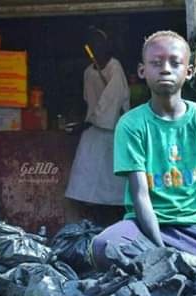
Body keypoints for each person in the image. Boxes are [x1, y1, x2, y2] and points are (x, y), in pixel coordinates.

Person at [91, 30, 196, 270]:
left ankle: (191, 263)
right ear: (142, 71)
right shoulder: (131, 124)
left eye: (175, 63)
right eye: (156, 63)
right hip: (145, 229)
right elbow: (140, 195)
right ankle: (184, 264)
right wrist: (160, 252)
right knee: (103, 245)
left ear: (188, 72)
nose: (165, 69)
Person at [65, 27, 130, 209]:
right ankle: (93, 219)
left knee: (113, 182)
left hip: (112, 129)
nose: (95, 47)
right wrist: (86, 120)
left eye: (99, 43)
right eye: (92, 44)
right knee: (87, 180)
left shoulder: (114, 67)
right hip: (93, 128)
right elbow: (88, 100)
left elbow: (113, 98)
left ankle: (115, 219)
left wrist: (88, 122)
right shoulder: (88, 71)